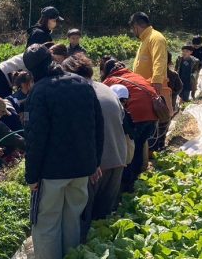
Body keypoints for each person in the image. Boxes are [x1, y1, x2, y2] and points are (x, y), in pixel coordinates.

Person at [23, 44, 104, 259]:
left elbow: (36, 138)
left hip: (52, 171)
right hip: (81, 166)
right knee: (71, 217)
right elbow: (97, 126)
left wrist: (32, 176)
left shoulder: (40, 92)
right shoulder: (82, 84)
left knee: (47, 221)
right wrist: (94, 163)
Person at [62, 54, 126, 230]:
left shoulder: (79, 94)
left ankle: (81, 254)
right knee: (103, 218)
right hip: (118, 158)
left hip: (96, 165)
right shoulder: (107, 89)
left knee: (83, 217)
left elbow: (82, 133)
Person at [101, 56, 158, 191]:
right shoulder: (135, 76)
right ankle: (136, 179)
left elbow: (102, 98)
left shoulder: (111, 81)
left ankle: (127, 183)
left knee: (128, 150)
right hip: (152, 116)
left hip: (135, 118)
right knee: (139, 145)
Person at [129, 12, 171, 105]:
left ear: (136, 25)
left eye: (132, 29)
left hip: (154, 88)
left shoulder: (156, 37)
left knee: (158, 116)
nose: (132, 32)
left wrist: (156, 81)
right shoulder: (145, 39)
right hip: (145, 87)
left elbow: (159, 60)